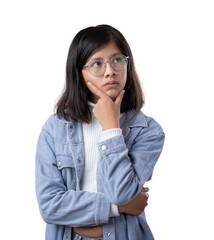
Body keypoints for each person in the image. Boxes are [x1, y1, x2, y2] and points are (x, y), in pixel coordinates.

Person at [35, 24, 165, 240]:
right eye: (97, 64)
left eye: (117, 60)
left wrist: (111, 127)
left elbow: (121, 192)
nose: (110, 71)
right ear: (79, 73)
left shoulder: (147, 131)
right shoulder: (55, 128)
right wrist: (118, 207)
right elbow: (49, 206)